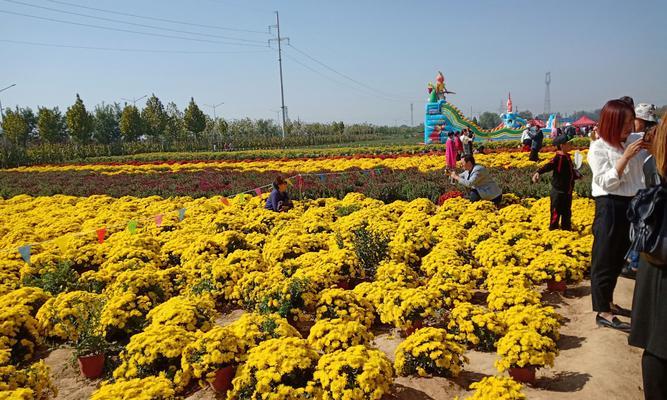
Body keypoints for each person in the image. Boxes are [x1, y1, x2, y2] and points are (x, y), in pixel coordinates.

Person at [588, 99, 648, 332]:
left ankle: (609, 302)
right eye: (623, 123)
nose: (629, 127)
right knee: (604, 257)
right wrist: (625, 158)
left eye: (630, 122)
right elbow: (606, 181)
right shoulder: (599, 148)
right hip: (610, 205)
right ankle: (602, 311)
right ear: (611, 123)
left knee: (619, 257)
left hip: (632, 204)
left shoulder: (634, 141)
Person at [629, 111, 667, 400]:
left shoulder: (652, 161)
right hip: (660, 259)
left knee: (658, 345)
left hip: (655, 256)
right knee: (659, 345)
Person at [532, 134, 582, 230]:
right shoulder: (558, 158)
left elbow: (569, 172)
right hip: (559, 192)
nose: (571, 145)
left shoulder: (567, 157)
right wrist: (538, 172)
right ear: (562, 146)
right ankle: (553, 231)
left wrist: (577, 175)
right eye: (569, 143)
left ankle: (566, 231)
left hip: (567, 191)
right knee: (555, 213)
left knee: (566, 213)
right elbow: (549, 165)